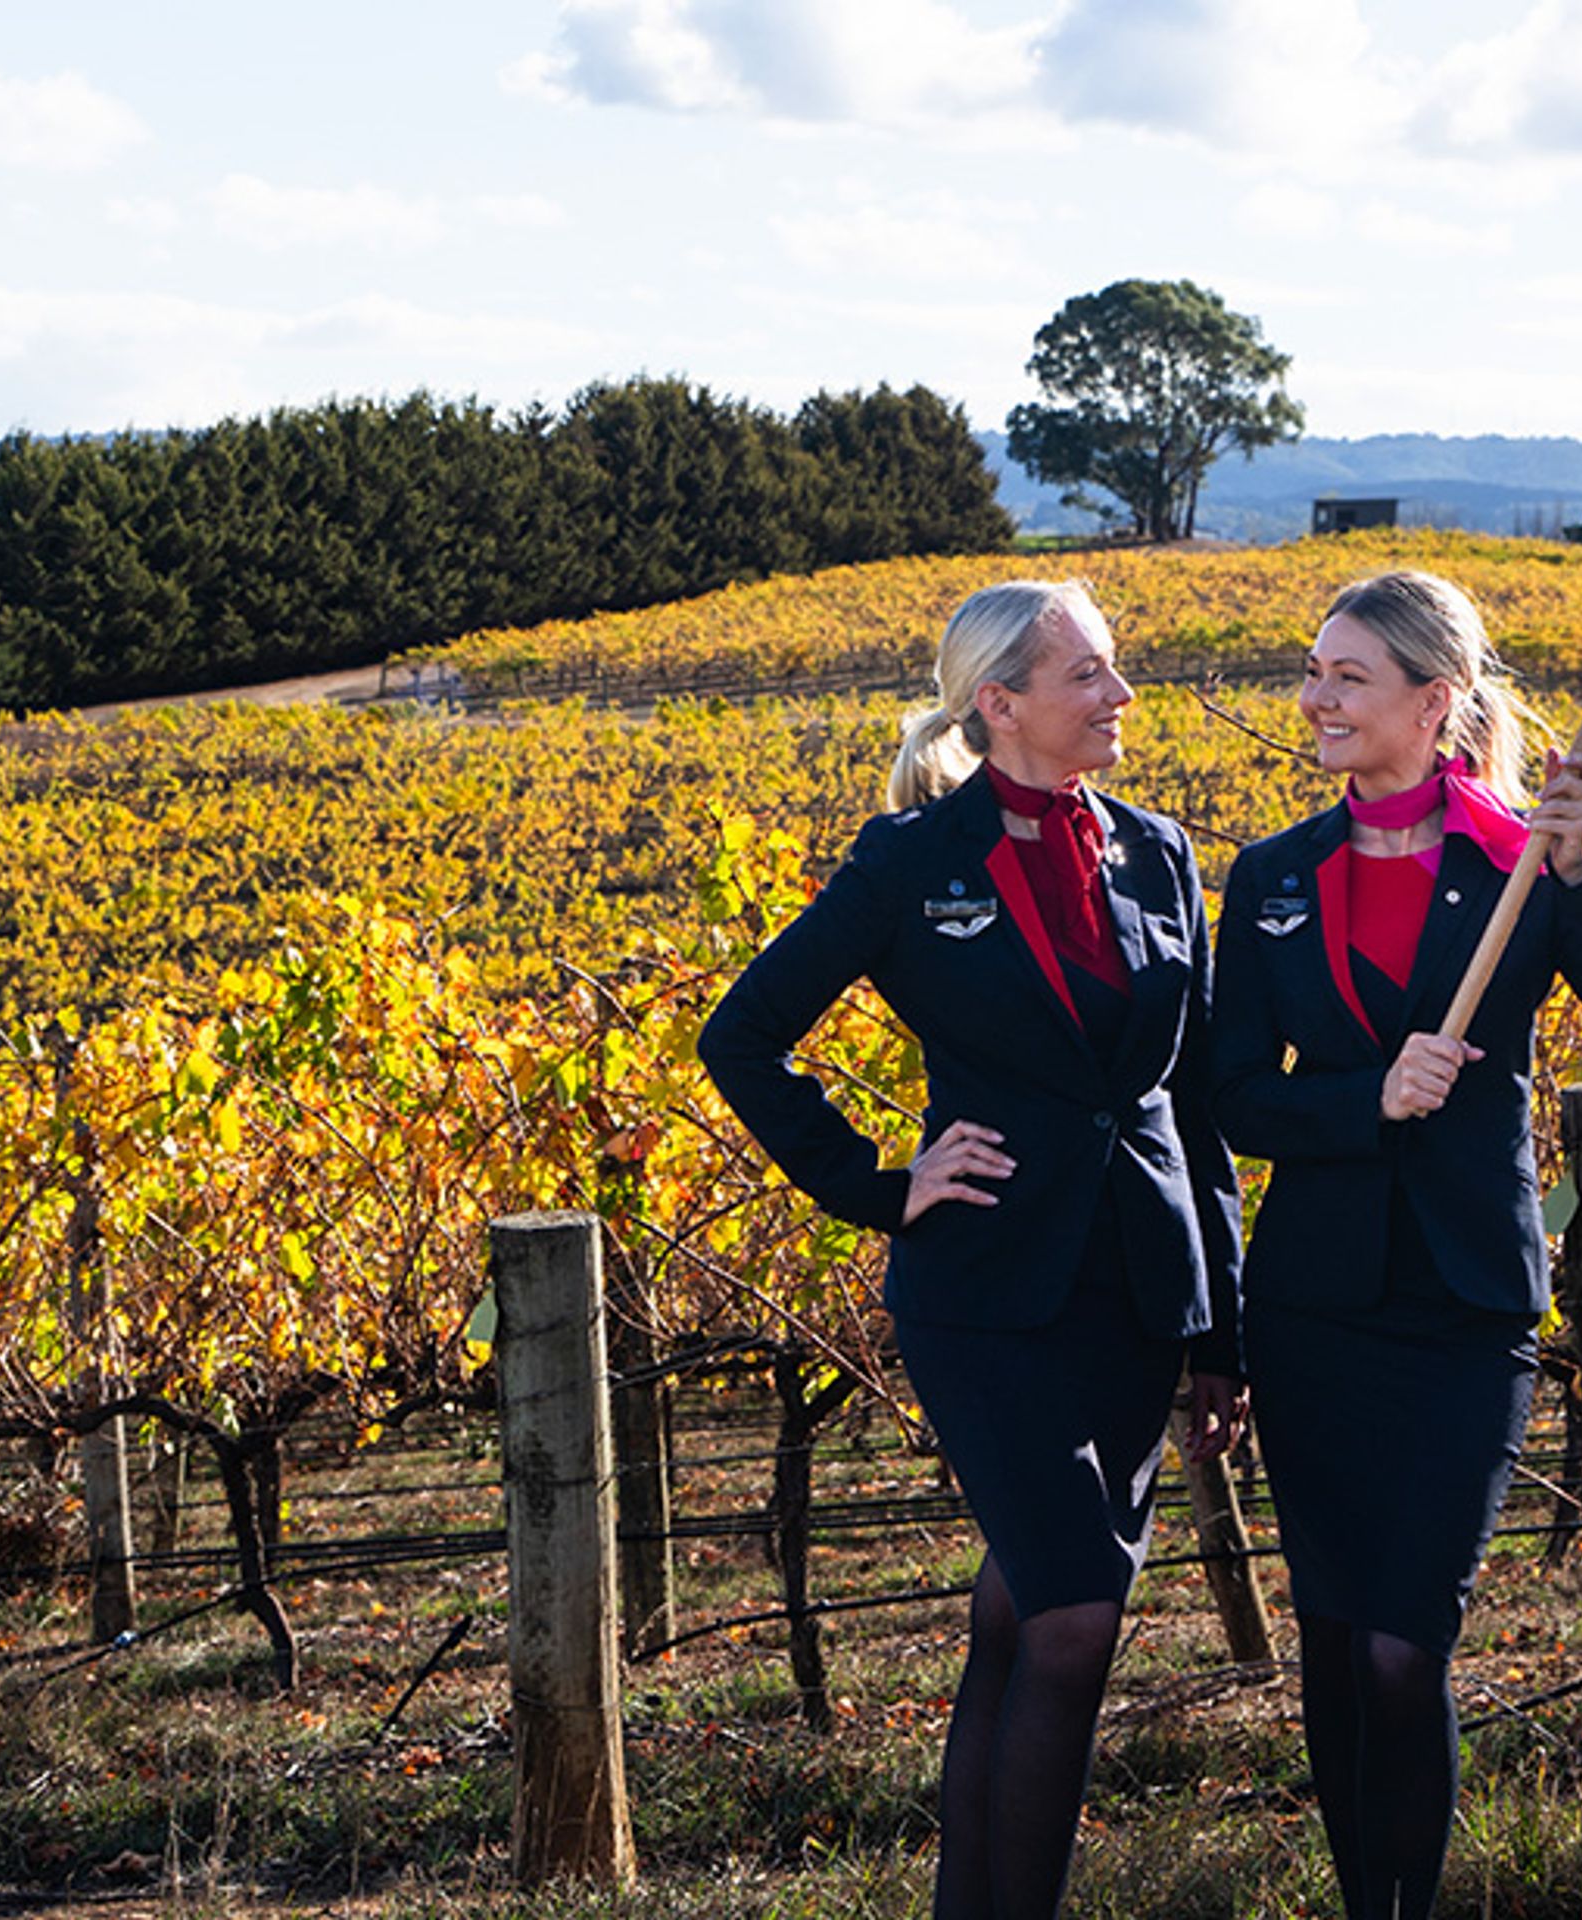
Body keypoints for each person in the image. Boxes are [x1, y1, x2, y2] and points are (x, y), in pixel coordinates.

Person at [699, 579, 1242, 1920]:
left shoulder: (1161, 852)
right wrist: (880, 1188)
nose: (1119, 695)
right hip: (988, 1298)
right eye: (1087, 674)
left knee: (1019, 1618)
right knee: (1075, 1618)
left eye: (1114, 668)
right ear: (999, 702)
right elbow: (743, 1037)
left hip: (1136, 1294)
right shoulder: (909, 862)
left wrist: (1221, 1330)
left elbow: (1196, 1103)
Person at [1212, 569, 1582, 1919]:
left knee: (1403, 1648)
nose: (1315, 698)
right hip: (1311, 1309)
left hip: (1466, 1311)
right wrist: (1365, 1097)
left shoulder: (1522, 862)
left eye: (1347, 677)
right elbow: (1233, 1097)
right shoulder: (1271, 879)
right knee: (1331, 1639)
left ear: (1433, 704)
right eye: (1315, 671)